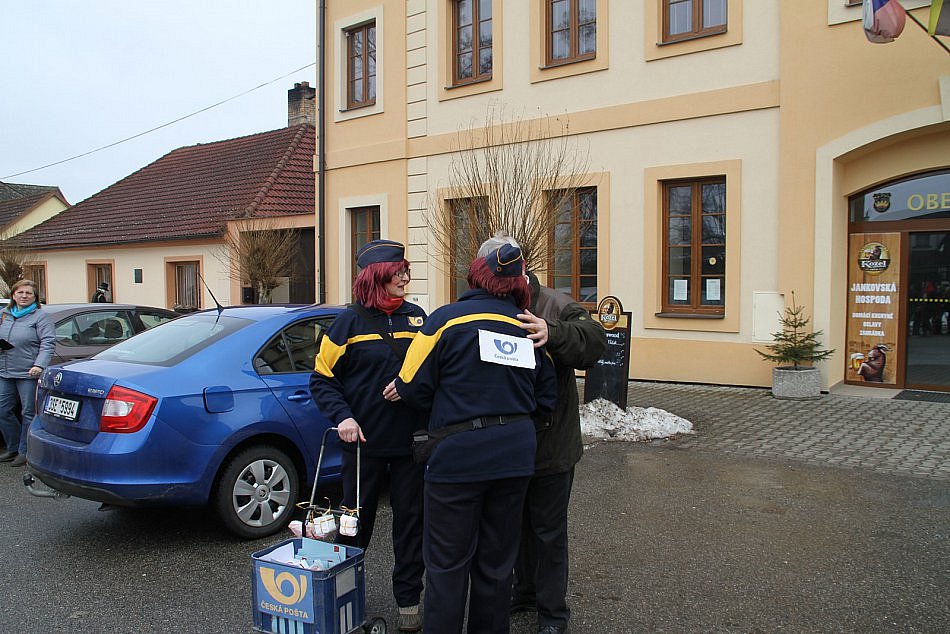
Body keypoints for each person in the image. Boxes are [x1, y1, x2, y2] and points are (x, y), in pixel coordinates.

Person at [383, 243, 556, 634]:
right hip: (514, 456)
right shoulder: (527, 326)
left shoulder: (444, 320)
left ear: (476, 277)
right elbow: (546, 398)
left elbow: (410, 385)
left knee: (447, 564)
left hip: (456, 457)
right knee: (497, 565)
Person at [476, 233, 607, 634]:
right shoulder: (492, 304)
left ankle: (552, 614)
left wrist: (553, 331)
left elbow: (595, 341)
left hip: (552, 447)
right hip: (508, 447)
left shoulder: (555, 303)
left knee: (548, 533)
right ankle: (525, 592)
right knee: (513, 527)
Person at [309, 239, 427, 632]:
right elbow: (322, 379)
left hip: (411, 443)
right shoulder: (348, 322)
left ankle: (408, 601)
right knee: (354, 525)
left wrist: (412, 388)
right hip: (363, 445)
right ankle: (346, 599)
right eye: (398, 273)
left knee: (411, 525)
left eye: (406, 272)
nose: (405, 279)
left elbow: (433, 372)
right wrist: (343, 416)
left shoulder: (418, 319)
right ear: (378, 277)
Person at [0, 280, 55, 467]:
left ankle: (25, 451)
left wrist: (39, 365)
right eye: (20, 292)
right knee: (2, 411)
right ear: (13, 295)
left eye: (28, 293)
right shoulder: (4, 314)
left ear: (35, 297)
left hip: (28, 373)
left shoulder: (40, 317)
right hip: (4, 371)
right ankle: (13, 447)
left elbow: (48, 342)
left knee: (28, 413)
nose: (24, 296)